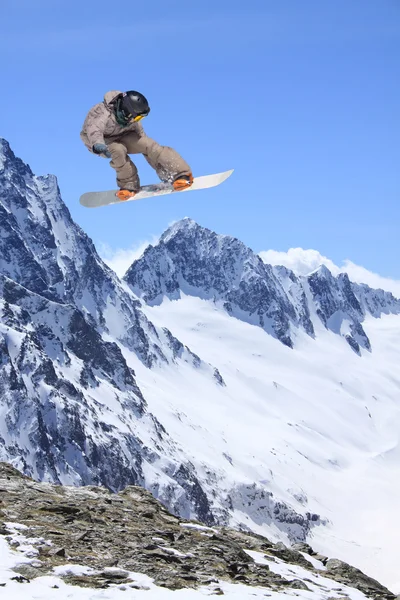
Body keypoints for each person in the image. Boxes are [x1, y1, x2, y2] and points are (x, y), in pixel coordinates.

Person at [80, 90, 193, 199]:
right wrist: (98, 144)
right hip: (101, 141)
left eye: (140, 117)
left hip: (124, 134)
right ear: (125, 111)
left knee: (149, 146)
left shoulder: (132, 119)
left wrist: (145, 146)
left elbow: (142, 137)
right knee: (118, 151)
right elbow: (94, 129)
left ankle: (177, 174)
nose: (137, 120)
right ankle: (128, 185)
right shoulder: (101, 111)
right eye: (137, 117)